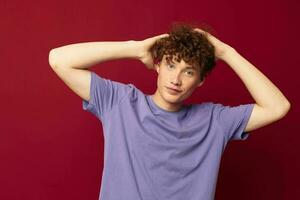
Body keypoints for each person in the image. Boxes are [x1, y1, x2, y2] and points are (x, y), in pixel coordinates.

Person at [48, 23, 291, 200]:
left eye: (188, 71)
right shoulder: (120, 102)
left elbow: (277, 107)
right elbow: (59, 59)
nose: (175, 79)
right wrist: (135, 48)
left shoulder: (214, 121)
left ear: (201, 80)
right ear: (158, 65)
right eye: (171, 65)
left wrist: (228, 53)